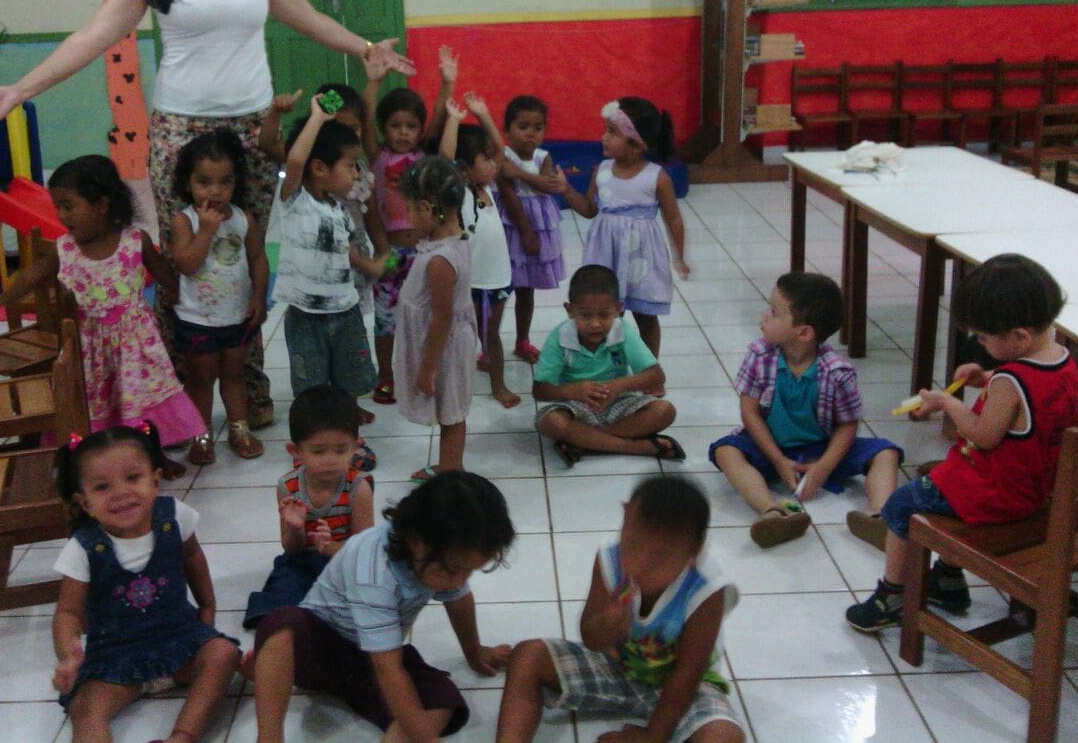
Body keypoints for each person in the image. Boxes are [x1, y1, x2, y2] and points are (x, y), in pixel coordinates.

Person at [0, 0, 415, 434]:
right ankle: (175, 392)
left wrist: (366, 47)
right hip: (181, 131)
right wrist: (20, 89)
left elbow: (308, 18)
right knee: (185, 263)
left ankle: (248, 384)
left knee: (244, 255)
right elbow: (96, 35)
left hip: (251, 130)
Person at [847, 254, 1078, 633]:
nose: (981, 344)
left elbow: (983, 436)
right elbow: (1027, 398)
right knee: (941, 478)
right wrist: (986, 377)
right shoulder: (1062, 360)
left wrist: (948, 403)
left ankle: (892, 595)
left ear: (1020, 336)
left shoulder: (1010, 381)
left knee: (901, 503)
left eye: (985, 338)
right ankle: (948, 580)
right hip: (1033, 488)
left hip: (996, 494)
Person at [242, 471, 516, 742]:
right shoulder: (373, 570)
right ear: (416, 542)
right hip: (318, 651)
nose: (460, 580)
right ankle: (269, 736)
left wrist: (474, 651)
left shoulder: (441, 556)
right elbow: (388, 670)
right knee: (283, 624)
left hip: (371, 658)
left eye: (470, 571)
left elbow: (458, 598)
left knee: (444, 699)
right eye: (454, 570)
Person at [0, 155, 202, 480]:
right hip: (91, 351)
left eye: (69, 206)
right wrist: (2, 298)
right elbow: (33, 273)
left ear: (101, 205)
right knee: (100, 407)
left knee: (143, 404)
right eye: (58, 207)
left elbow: (161, 271)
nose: (61, 215)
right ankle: (98, 463)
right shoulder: (65, 250)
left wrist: (177, 293)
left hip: (136, 348)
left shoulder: (134, 241)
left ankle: (154, 457)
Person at [496, 476, 744, 743]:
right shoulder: (610, 558)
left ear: (694, 551)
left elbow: (688, 673)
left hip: (684, 690)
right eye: (632, 545)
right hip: (618, 668)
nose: (639, 564)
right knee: (528, 655)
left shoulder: (706, 588)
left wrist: (653, 735)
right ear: (625, 517)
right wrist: (605, 626)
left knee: (724, 736)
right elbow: (590, 638)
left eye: (660, 558)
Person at [51, 425, 239, 742]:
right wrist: (69, 656)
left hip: (181, 639)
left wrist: (207, 605)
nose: (121, 493)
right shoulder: (83, 548)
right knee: (84, 708)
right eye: (102, 487)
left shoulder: (174, 517)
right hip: (114, 658)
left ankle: (182, 737)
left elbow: (192, 557)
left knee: (224, 654)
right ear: (84, 502)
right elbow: (67, 612)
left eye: (132, 478)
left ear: (155, 480)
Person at [711, 272, 902, 549]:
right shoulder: (759, 355)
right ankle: (772, 512)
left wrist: (824, 467)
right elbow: (749, 412)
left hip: (823, 448)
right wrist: (778, 459)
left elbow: (847, 424)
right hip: (770, 445)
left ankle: (880, 517)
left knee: (886, 452)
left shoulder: (837, 372)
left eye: (774, 312)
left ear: (803, 332)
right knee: (726, 451)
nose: (765, 316)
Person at [264, 99, 384, 418]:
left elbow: (345, 252)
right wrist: (316, 118)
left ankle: (347, 410)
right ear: (319, 168)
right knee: (312, 382)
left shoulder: (339, 209)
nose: (356, 173)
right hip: (307, 317)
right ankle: (318, 426)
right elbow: (295, 160)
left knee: (349, 372)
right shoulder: (296, 201)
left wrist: (371, 265)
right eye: (351, 165)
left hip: (345, 309)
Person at [168, 129, 269, 462]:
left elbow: (258, 258)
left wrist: (259, 297)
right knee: (201, 378)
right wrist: (207, 231)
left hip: (235, 316)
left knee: (234, 375)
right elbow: (186, 264)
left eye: (225, 182)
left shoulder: (242, 219)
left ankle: (239, 429)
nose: (215, 191)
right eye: (204, 182)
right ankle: (201, 434)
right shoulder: (185, 221)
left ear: (236, 183)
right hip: (197, 319)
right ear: (187, 184)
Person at [559, 97, 688, 357]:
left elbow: (673, 219)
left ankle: (649, 366)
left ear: (637, 143)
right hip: (605, 255)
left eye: (612, 132)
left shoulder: (656, 177)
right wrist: (566, 190)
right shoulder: (602, 170)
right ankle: (605, 364)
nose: (603, 137)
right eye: (606, 130)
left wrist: (679, 256)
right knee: (604, 315)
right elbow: (589, 209)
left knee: (645, 316)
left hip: (641, 259)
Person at [362, 46, 452, 405]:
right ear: (384, 128)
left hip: (424, 254)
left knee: (425, 317)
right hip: (390, 253)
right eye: (395, 126)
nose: (403, 133)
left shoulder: (423, 157)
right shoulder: (378, 157)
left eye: (411, 126)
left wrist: (447, 82)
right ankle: (386, 375)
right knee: (385, 320)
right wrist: (374, 82)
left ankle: (422, 370)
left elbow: (440, 118)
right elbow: (365, 121)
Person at [243, 386, 374, 629]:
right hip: (301, 561)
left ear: (356, 447)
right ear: (296, 452)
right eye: (318, 451)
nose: (330, 460)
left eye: (341, 450)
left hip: (344, 562)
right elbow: (291, 548)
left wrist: (330, 547)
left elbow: (363, 551)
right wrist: (296, 529)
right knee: (283, 596)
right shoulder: (288, 486)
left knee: (365, 602)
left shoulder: (359, 487)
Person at [532, 264, 683, 467]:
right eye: (585, 315)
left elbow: (656, 376)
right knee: (552, 422)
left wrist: (617, 387)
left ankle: (585, 442)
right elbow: (539, 391)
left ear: (618, 310)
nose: (595, 324)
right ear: (570, 310)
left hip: (619, 402)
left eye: (604, 315)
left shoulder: (622, 330)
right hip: (575, 406)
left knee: (664, 410)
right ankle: (636, 447)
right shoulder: (560, 336)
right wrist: (573, 391)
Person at [388, 156, 477, 483]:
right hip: (444, 343)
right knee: (448, 409)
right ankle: (448, 465)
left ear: (427, 208)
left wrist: (427, 368)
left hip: (443, 348)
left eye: (410, 210)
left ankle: (451, 475)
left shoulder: (440, 260)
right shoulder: (451, 239)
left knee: (451, 413)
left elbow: (442, 317)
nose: (408, 219)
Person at [440, 93, 530, 409]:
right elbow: (445, 158)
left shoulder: (486, 188)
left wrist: (483, 114)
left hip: (498, 279)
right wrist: (453, 120)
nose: (495, 165)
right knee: (462, 336)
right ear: (465, 169)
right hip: (470, 282)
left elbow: (501, 152)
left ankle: (498, 384)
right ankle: (452, 383)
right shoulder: (459, 192)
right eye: (486, 160)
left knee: (492, 336)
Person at [498, 94, 568, 365]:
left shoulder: (543, 157)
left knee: (526, 288)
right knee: (500, 288)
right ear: (507, 129)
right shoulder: (503, 155)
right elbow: (507, 191)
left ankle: (522, 340)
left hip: (537, 229)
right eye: (523, 126)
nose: (531, 134)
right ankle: (489, 343)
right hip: (510, 227)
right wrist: (525, 231)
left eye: (538, 128)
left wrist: (519, 174)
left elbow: (547, 186)